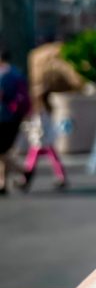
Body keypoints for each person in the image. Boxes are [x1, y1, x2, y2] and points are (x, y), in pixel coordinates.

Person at [17, 95, 67, 190]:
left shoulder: (40, 114)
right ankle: (62, 178)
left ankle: (25, 180)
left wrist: (26, 127)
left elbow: (38, 128)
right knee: (54, 160)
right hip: (46, 141)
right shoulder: (48, 111)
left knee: (30, 162)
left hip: (39, 142)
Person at [0, 49, 31, 194]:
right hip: (14, 117)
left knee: (3, 152)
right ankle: (3, 184)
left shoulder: (4, 75)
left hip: (4, 117)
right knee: (4, 151)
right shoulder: (16, 73)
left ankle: (24, 170)